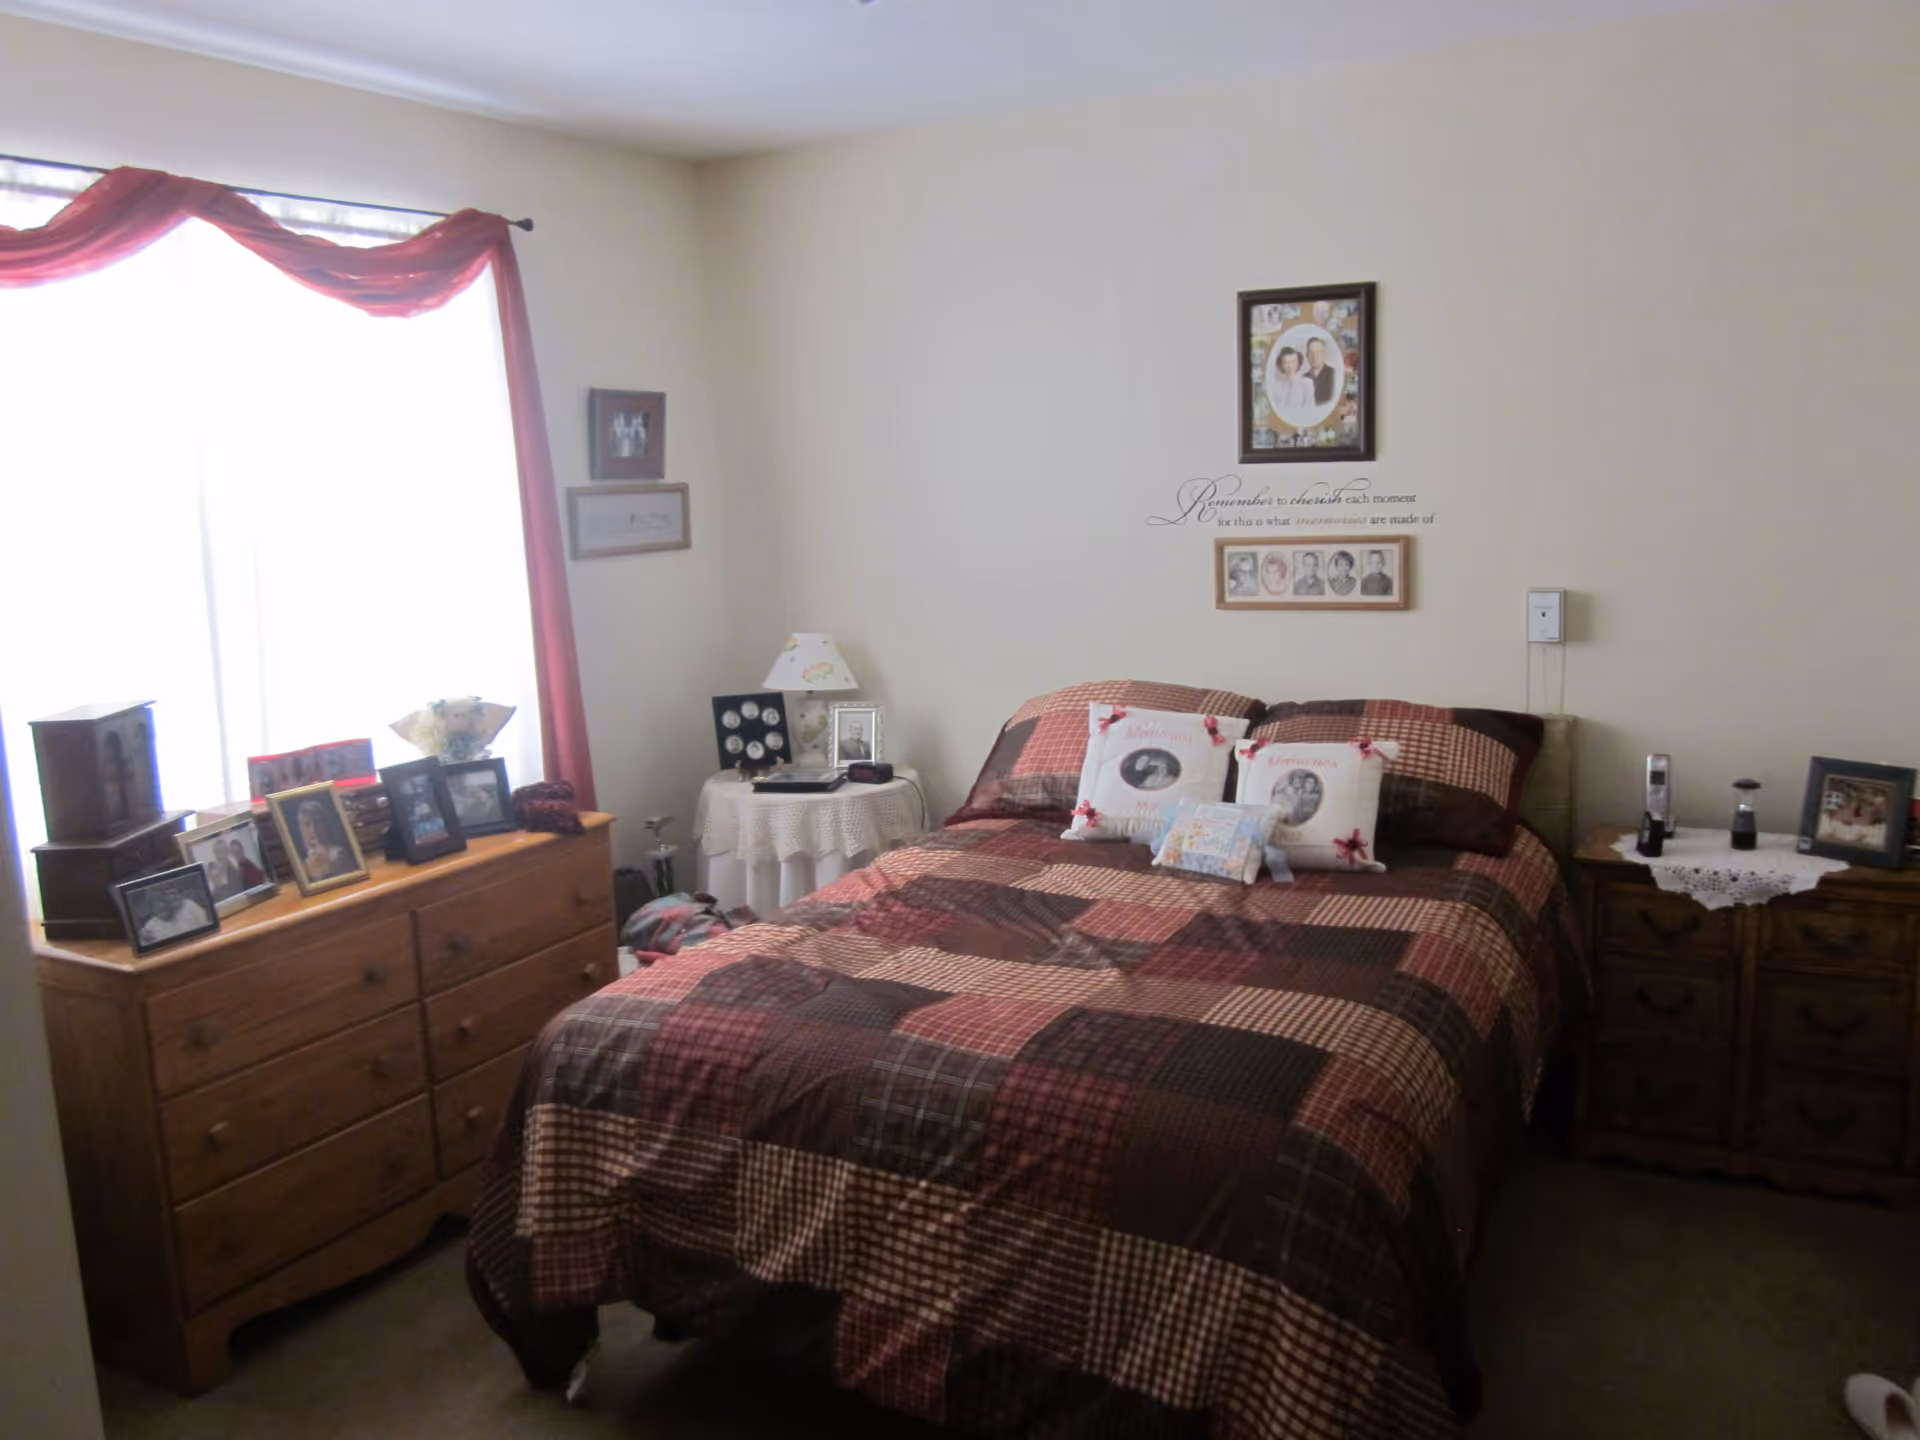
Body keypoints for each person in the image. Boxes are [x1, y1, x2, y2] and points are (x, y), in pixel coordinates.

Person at [138, 882, 210, 947]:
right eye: (169, 894)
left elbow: (207, 929)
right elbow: (143, 943)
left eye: (175, 893)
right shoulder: (152, 924)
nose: (174, 896)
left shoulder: (190, 906)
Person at [296, 798, 349, 881]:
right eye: (307, 825)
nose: (313, 829)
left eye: (316, 823)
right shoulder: (304, 862)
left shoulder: (339, 855)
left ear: (325, 824)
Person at [1268, 346, 1317, 426]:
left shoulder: (1307, 383)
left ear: (1298, 363)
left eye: (1293, 362)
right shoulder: (1275, 384)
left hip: (1301, 422)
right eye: (1286, 362)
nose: (1290, 366)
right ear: (1281, 364)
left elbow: (1310, 408)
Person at [1305, 336, 1338, 408]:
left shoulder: (1334, 374)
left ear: (1324, 354)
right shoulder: (1303, 379)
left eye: (1318, 352)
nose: (1315, 356)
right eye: (1311, 353)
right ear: (1307, 355)